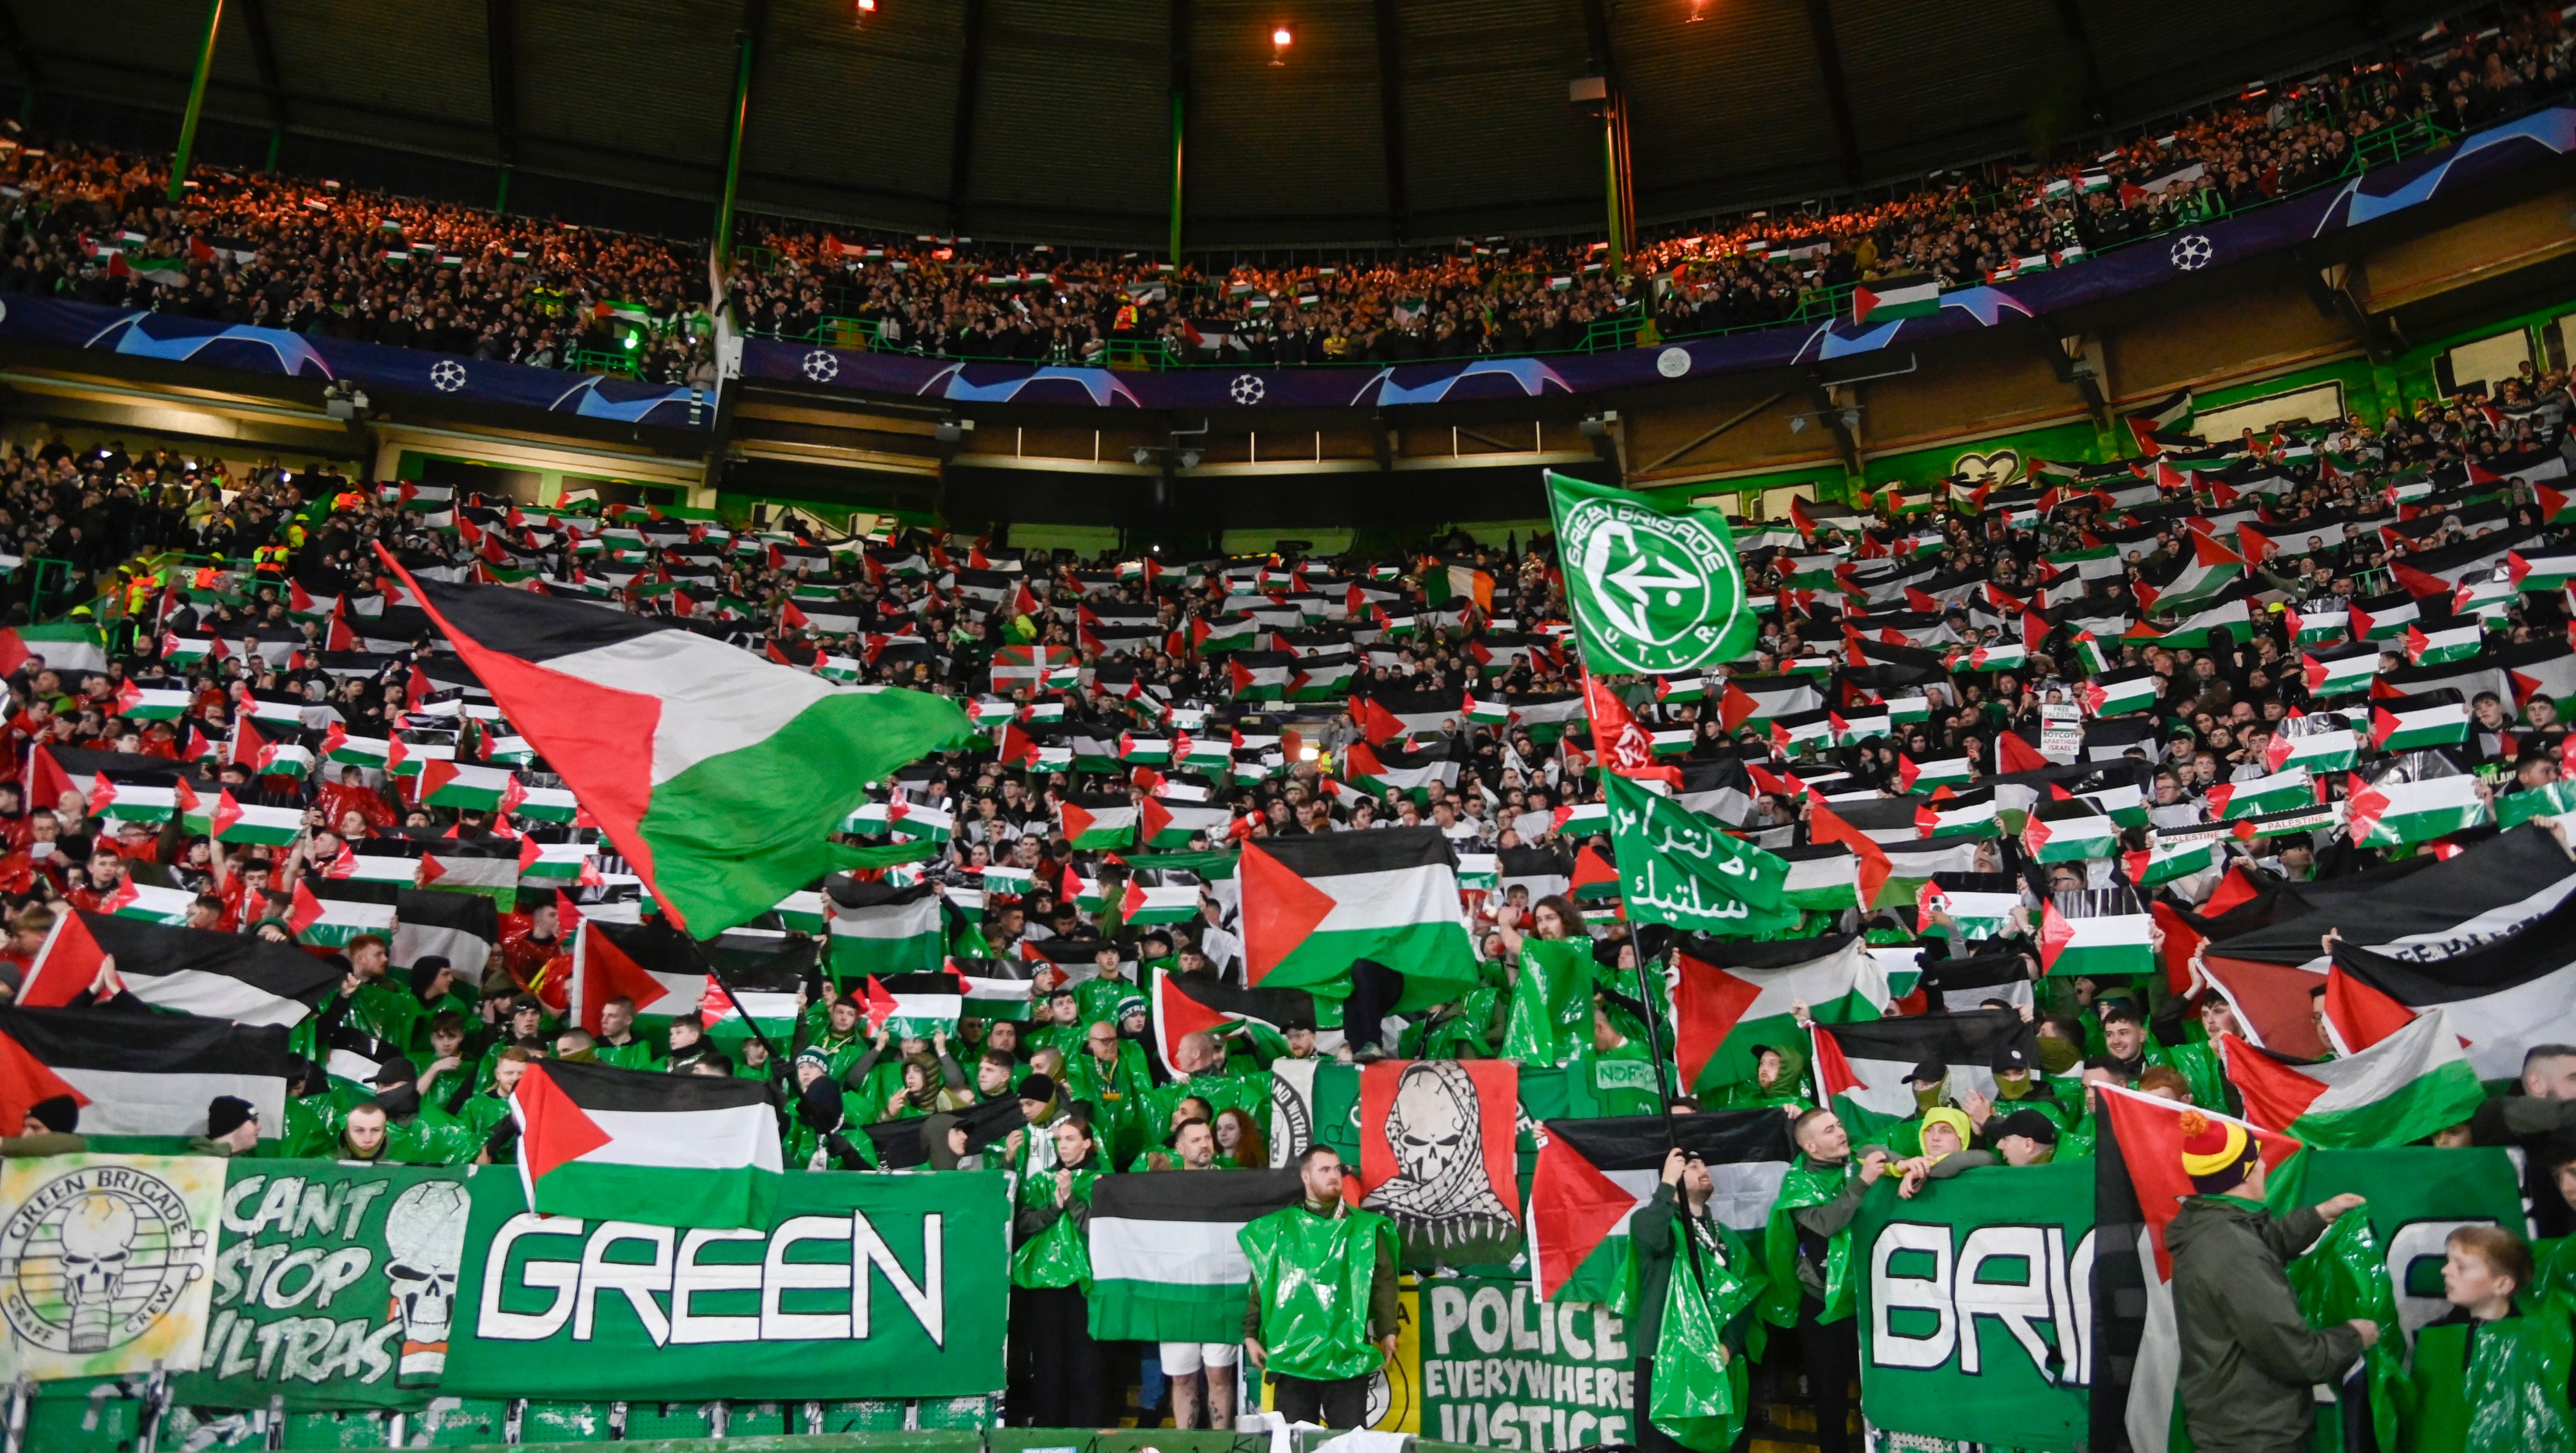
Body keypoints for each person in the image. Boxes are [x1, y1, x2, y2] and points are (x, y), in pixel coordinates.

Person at [2168, 1108, 2376, 1452]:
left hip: (2230, 1423)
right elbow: (2296, 1355)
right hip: (2255, 1435)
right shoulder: (2235, 1251)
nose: (2266, 1167)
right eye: (2259, 1161)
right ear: (2247, 1173)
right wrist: (2353, 1336)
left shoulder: (2209, 1227)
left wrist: (2320, 1214)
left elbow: (2261, 1244)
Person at [1762, 1108, 1890, 1453]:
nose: (1840, 1133)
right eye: (1829, 1130)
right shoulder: (1798, 1181)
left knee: (1879, 1392)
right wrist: (1861, 1184)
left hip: (1869, 1300)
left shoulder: (1858, 1158)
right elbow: (1826, 1223)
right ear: (1811, 1146)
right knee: (1830, 1400)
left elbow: (1897, 1158)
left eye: (1839, 1125)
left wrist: (1910, 1166)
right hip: (1823, 1305)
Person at [1243, 1146, 1398, 1428]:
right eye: (1324, 1170)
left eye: (1337, 1169)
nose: (1334, 1176)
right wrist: (1250, 1333)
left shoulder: (1365, 1229)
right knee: (1295, 1443)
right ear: (1305, 1177)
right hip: (1294, 1359)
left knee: (1348, 1444)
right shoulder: (1279, 1229)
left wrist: (1388, 1330)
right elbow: (1263, 1282)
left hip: (1346, 1358)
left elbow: (1383, 1282)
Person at [1632, 1145, 1764, 1453]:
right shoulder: (1648, 1222)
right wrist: (1666, 1185)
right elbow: (1653, 1238)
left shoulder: (1726, 1237)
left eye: (1704, 1163)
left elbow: (1747, 1296)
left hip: (1719, 1361)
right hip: (1663, 1362)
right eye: (1691, 1166)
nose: (1703, 1168)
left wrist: (1729, 1344)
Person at [2400, 1224, 2575, 1451]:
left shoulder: (2537, 1339)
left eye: (2461, 1266)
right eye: (2448, 1261)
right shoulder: (2434, 1338)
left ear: (2502, 1284)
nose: (2445, 1271)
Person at [1006, 1116, 1110, 1427]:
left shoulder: (1103, 1182)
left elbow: (1101, 1229)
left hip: (1086, 1281)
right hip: (1044, 1282)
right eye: (1059, 1140)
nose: (1063, 1146)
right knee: (1048, 1358)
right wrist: (1054, 1206)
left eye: (1070, 1139)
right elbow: (1024, 1223)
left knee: (1086, 1358)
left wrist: (1072, 1200)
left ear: (1087, 1143)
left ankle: (1086, 1427)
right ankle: (1049, 1426)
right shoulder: (1041, 1181)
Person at [188, 1096, 260, 1156]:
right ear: (233, 1124)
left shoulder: (246, 1163)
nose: (259, 1128)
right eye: (254, 1120)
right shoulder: (188, 1164)